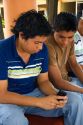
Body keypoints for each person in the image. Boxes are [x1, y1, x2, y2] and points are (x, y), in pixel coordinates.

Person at [0, 10, 83, 125]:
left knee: (75, 101)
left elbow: (43, 81)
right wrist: (38, 102)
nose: (40, 47)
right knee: (16, 121)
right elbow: (2, 95)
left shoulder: (42, 49)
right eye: (37, 43)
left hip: (34, 93)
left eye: (42, 42)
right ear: (22, 35)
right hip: (8, 100)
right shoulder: (2, 50)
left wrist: (55, 94)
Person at [46, 12, 83, 97]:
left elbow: (74, 64)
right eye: (61, 37)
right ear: (53, 30)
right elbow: (57, 82)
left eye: (70, 37)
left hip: (68, 80)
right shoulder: (48, 45)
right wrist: (81, 90)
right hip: (54, 87)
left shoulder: (71, 41)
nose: (65, 42)